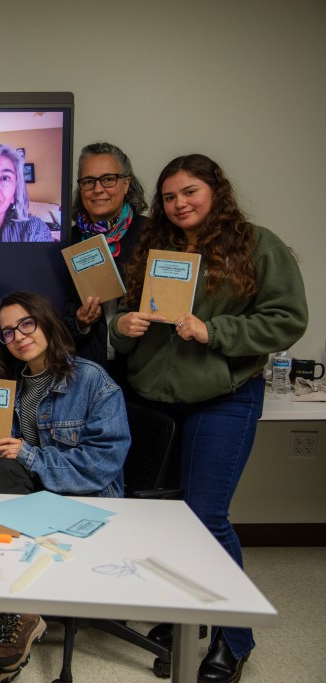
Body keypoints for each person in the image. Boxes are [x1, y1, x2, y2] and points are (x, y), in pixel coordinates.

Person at [110, 154, 307, 683]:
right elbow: (121, 312)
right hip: (154, 399)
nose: (179, 204)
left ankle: (232, 638)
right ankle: (184, 621)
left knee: (204, 518)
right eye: (170, 196)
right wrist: (120, 324)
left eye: (190, 192)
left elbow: (288, 320)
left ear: (215, 190)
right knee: (164, 520)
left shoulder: (256, 245)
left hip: (224, 397)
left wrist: (214, 332)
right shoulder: (155, 247)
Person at [0, 291, 129, 683]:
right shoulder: (5, 388)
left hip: (82, 502)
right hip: (25, 505)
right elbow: (6, 470)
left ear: (46, 322)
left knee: (1, 501)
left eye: (26, 323)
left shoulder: (91, 380)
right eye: (7, 332)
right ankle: (16, 622)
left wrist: (26, 455)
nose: (18, 336)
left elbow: (100, 467)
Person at [65, 142, 148, 384]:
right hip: (84, 374)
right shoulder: (65, 242)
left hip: (141, 373)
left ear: (126, 183)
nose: (98, 189)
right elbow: (51, 312)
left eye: (108, 179)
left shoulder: (153, 234)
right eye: (88, 181)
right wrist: (79, 322)